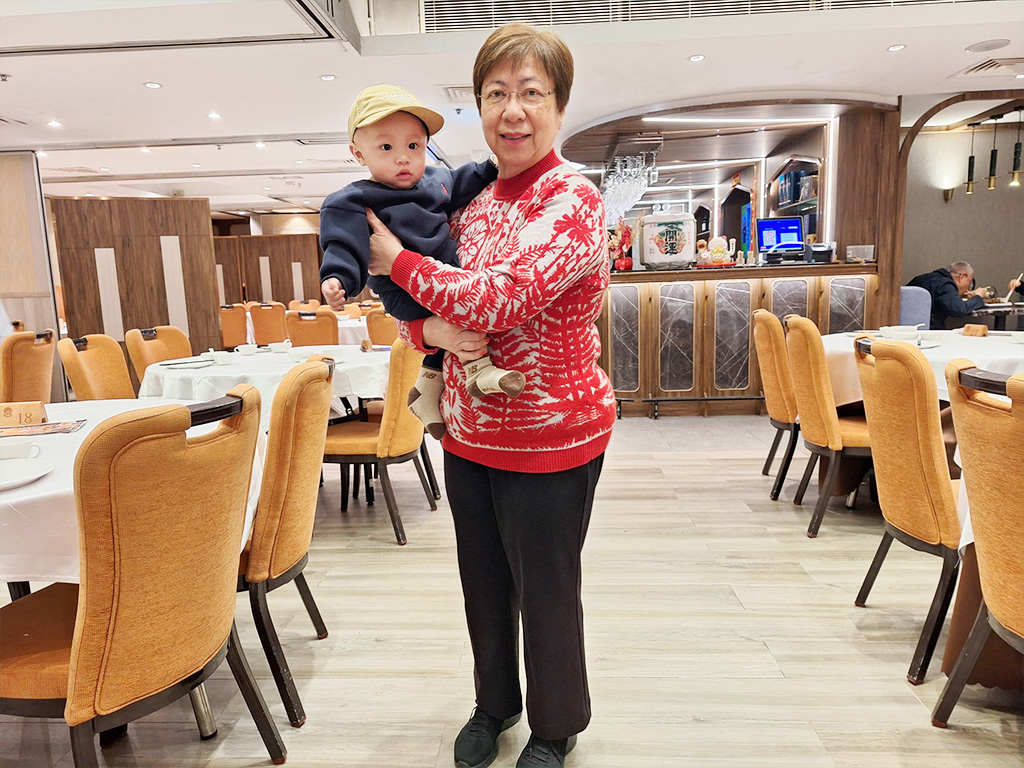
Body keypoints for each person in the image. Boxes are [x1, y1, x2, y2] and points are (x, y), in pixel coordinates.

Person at [366, 23, 614, 768]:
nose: (513, 110)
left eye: (531, 93)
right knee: (483, 584)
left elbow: (499, 299)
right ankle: (495, 703)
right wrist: (430, 331)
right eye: (496, 93)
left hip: (553, 434)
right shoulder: (464, 200)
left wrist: (398, 259)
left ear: (559, 107)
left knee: (546, 589)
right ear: (477, 107)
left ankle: (556, 723)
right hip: (469, 431)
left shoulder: (572, 199)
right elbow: (411, 311)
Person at [319, 84, 522, 438]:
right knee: (460, 319)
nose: (403, 157)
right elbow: (343, 244)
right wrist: (337, 278)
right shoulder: (353, 200)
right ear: (358, 153)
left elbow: (462, 181)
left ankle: (427, 389)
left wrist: (490, 167)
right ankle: (479, 370)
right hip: (402, 292)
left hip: (443, 276)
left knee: (455, 309)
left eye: (414, 146)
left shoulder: (434, 181)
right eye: (387, 147)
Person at [907, 260, 990, 330]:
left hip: (907, 328)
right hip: (929, 331)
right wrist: (978, 297)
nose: (968, 289)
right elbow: (958, 310)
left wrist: (958, 296)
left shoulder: (924, 278)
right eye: (969, 283)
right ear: (961, 277)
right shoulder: (945, 284)